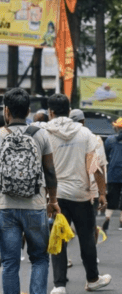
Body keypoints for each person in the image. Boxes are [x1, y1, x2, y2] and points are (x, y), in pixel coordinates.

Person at [39, 93, 112, 294]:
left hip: (54, 196)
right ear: (69, 111)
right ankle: (93, 279)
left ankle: (59, 285)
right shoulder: (85, 133)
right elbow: (95, 167)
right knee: (87, 238)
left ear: (50, 112)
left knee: (58, 238)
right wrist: (103, 193)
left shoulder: (43, 132)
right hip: (82, 194)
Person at [0, 88, 59, 294]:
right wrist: (53, 200)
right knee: (40, 258)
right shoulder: (40, 134)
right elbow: (50, 171)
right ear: (27, 111)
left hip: (6, 206)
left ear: (6, 111)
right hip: (35, 205)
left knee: (9, 262)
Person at [103, 117, 122, 231]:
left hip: (113, 172)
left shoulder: (110, 140)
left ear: (117, 127)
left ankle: (107, 217)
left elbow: (105, 156)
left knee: (112, 197)